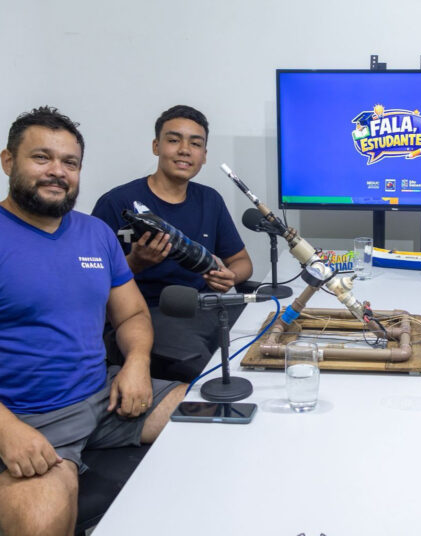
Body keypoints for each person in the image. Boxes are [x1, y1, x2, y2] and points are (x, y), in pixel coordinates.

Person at [0, 106, 186, 535]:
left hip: (105, 398)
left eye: (70, 162)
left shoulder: (95, 234)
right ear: (8, 161)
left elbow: (132, 313)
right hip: (29, 418)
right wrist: (7, 430)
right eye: (41, 157)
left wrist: (137, 363)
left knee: (217, 415)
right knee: (39, 521)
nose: (57, 171)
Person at [92, 105, 253, 382]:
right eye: (174, 140)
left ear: (204, 155)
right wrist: (135, 264)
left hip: (207, 306)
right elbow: (90, 282)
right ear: (156, 146)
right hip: (145, 314)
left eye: (195, 144)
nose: (185, 150)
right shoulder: (116, 203)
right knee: (207, 372)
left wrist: (230, 276)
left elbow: (242, 263)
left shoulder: (210, 200)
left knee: (266, 333)